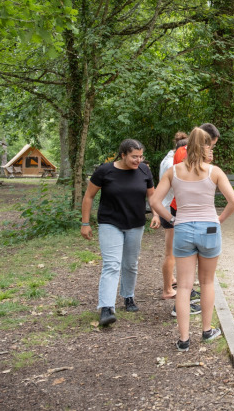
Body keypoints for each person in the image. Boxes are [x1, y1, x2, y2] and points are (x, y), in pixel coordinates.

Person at [151, 127, 234, 351]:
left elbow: (154, 202)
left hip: (183, 229)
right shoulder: (214, 171)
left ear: (187, 147)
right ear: (206, 147)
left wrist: (171, 218)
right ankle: (207, 331)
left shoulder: (174, 171)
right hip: (209, 228)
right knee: (207, 282)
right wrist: (219, 219)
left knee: (184, 287)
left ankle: (183, 340)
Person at [81, 139, 157, 327]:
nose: (138, 160)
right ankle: (106, 308)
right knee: (112, 264)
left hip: (135, 224)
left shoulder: (144, 171)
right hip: (110, 223)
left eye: (140, 156)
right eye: (134, 156)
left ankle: (128, 296)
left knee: (130, 264)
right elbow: (89, 196)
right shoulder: (105, 171)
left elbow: (152, 195)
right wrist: (85, 223)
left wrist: (156, 214)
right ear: (123, 155)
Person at [166, 123, 221, 317]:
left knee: (186, 282)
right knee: (200, 281)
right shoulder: (185, 155)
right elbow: (193, 175)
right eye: (210, 146)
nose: (211, 149)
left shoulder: (184, 153)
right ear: (203, 142)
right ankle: (190, 315)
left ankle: (184, 337)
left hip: (184, 218)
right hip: (185, 212)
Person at [158, 132, 187, 300]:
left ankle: (172, 279)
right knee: (171, 252)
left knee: (172, 250)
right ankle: (168, 289)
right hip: (169, 209)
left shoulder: (168, 159)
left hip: (168, 207)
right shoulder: (171, 163)